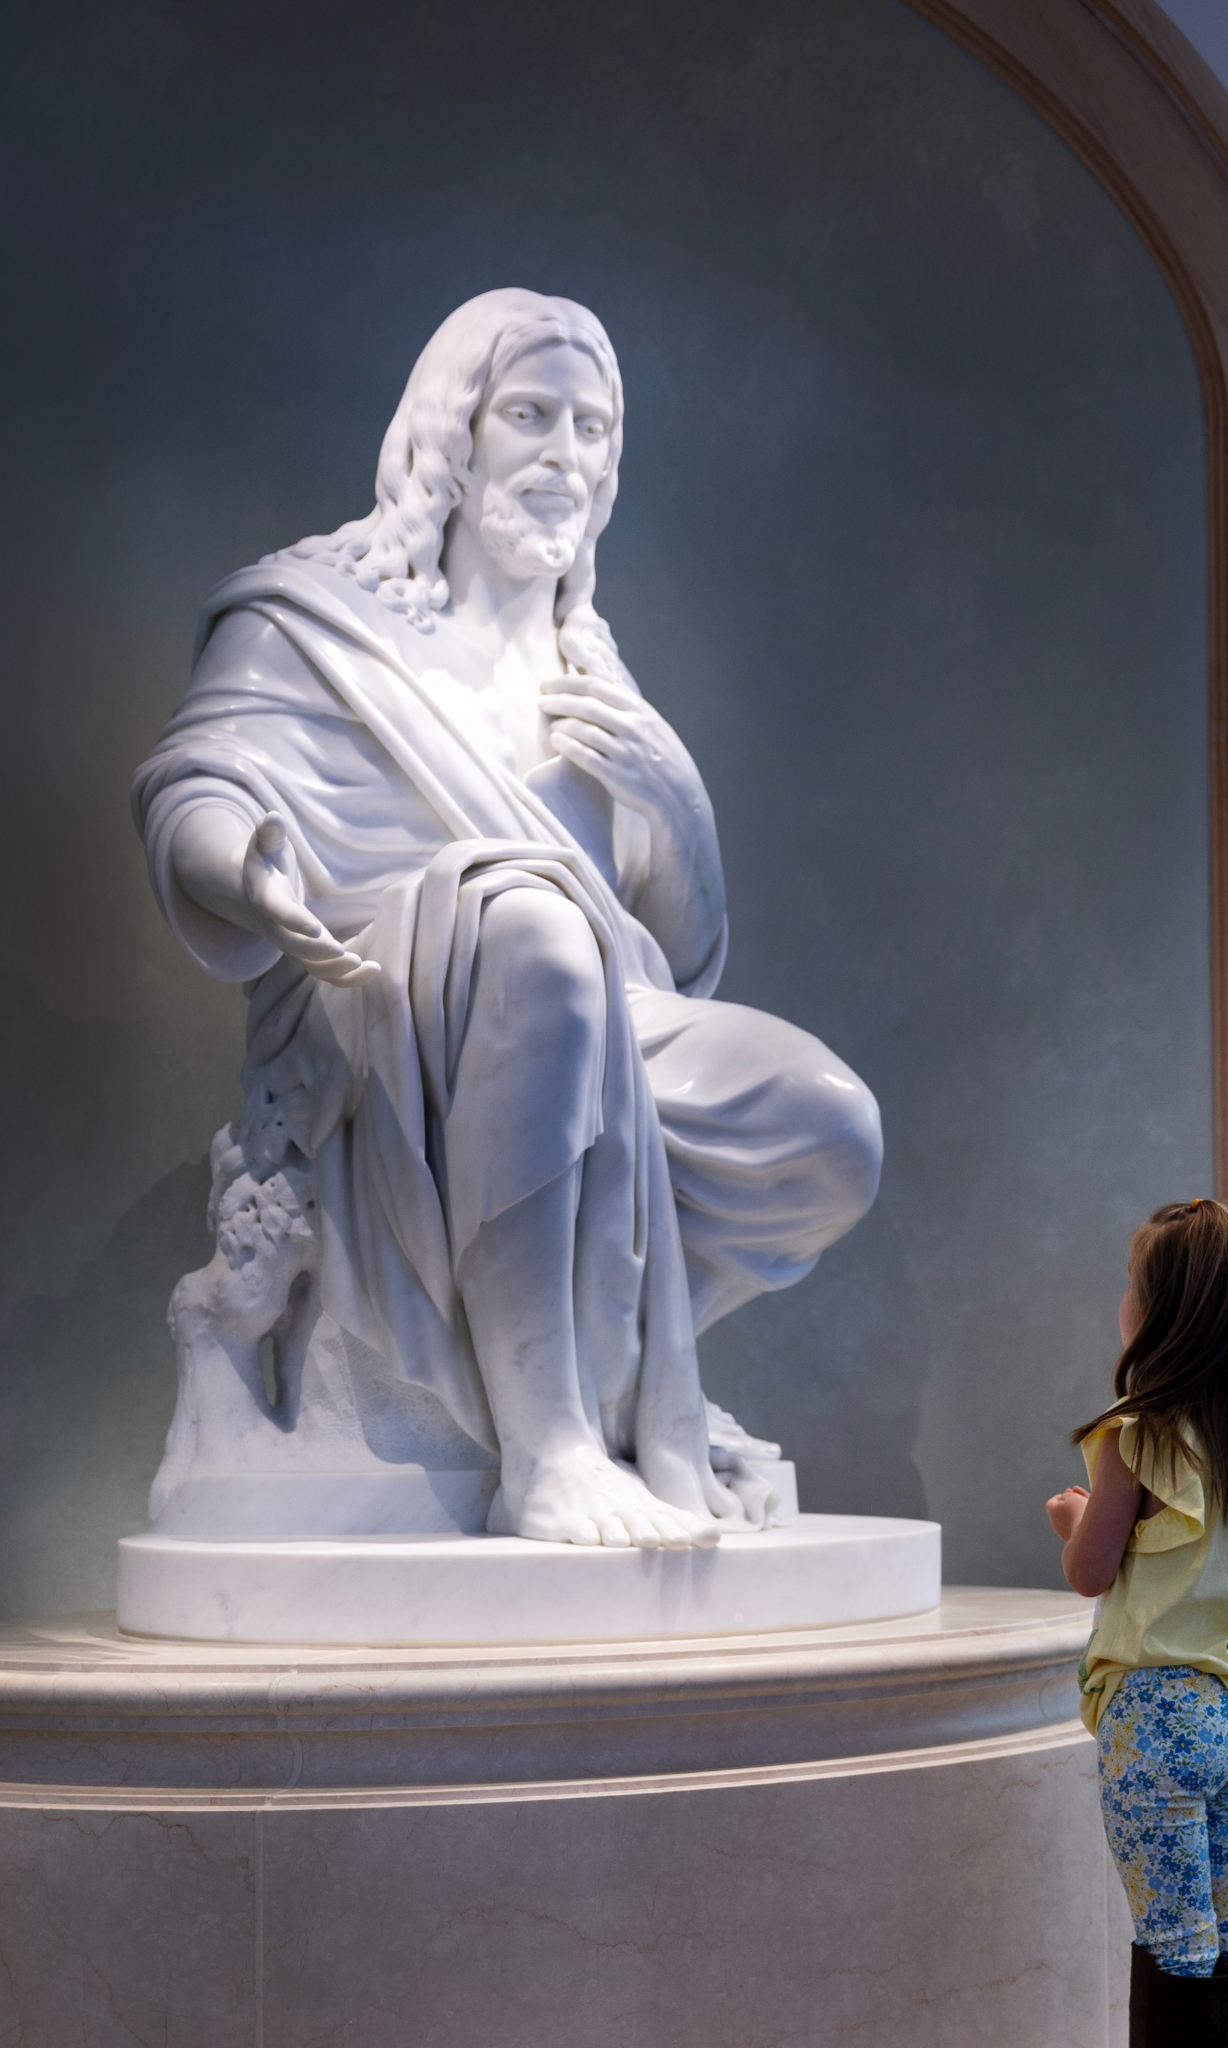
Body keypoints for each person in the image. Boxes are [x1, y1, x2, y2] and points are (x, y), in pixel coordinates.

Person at [133, 289, 882, 1550]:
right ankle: (547, 1448)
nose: (566, 454)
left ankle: (600, 1369)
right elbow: (196, 786)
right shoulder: (320, 612)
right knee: (528, 924)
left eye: (594, 427)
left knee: (828, 1127)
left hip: (589, 1034)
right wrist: (258, 867)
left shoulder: (595, 672)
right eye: (531, 414)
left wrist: (681, 813)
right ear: (451, 435)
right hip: (376, 1025)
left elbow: (678, 962)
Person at [1047, 1200, 1228, 2046]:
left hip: (1159, 1717)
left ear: (1161, 1314)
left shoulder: (1136, 1437)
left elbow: (1089, 1573)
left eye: (1132, 1283)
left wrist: (1072, 1519)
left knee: (1177, 1947)